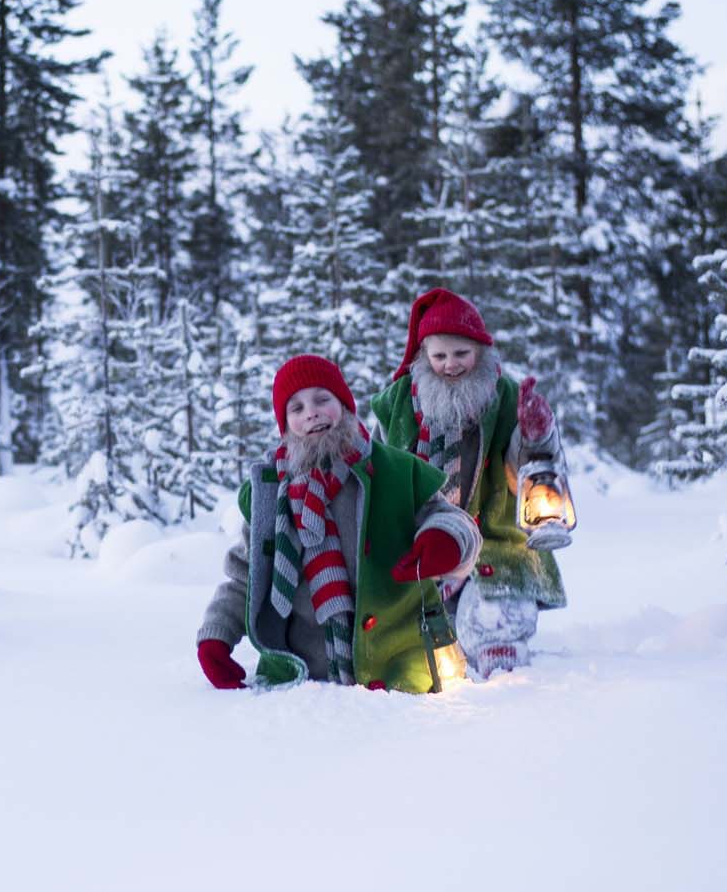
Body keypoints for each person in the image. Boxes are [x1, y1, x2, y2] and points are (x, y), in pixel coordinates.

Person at [196, 354, 479, 693]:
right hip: (304, 676)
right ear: (284, 426)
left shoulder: (395, 470)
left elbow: (452, 519)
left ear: (344, 405)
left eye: (321, 399)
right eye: (296, 408)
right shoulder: (269, 495)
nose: (311, 412)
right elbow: (245, 577)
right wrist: (216, 636)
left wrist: (445, 539)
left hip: (399, 663)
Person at [368, 289, 570, 678]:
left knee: (496, 624)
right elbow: (376, 464)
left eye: (461, 354)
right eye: (439, 356)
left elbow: (527, 471)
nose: (450, 366)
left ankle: (506, 688)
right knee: (410, 642)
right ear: (423, 356)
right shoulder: (397, 403)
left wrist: (536, 433)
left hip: (493, 546)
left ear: (480, 350)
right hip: (419, 549)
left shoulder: (507, 396)